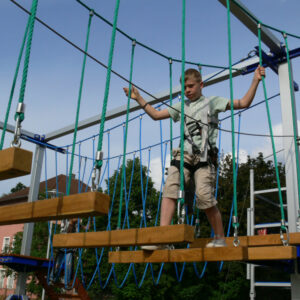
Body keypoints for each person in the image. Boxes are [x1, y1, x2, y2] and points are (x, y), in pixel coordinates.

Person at [123, 66, 265, 249]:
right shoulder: (181, 106)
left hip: (205, 157)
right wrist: (139, 99)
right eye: (184, 88)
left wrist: (255, 80)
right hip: (184, 155)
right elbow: (156, 115)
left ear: (201, 85)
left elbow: (244, 102)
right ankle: (162, 238)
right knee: (170, 189)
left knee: (204, 196)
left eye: (190, 86)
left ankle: (220, 237)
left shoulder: (212, 102)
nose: (187, 91)